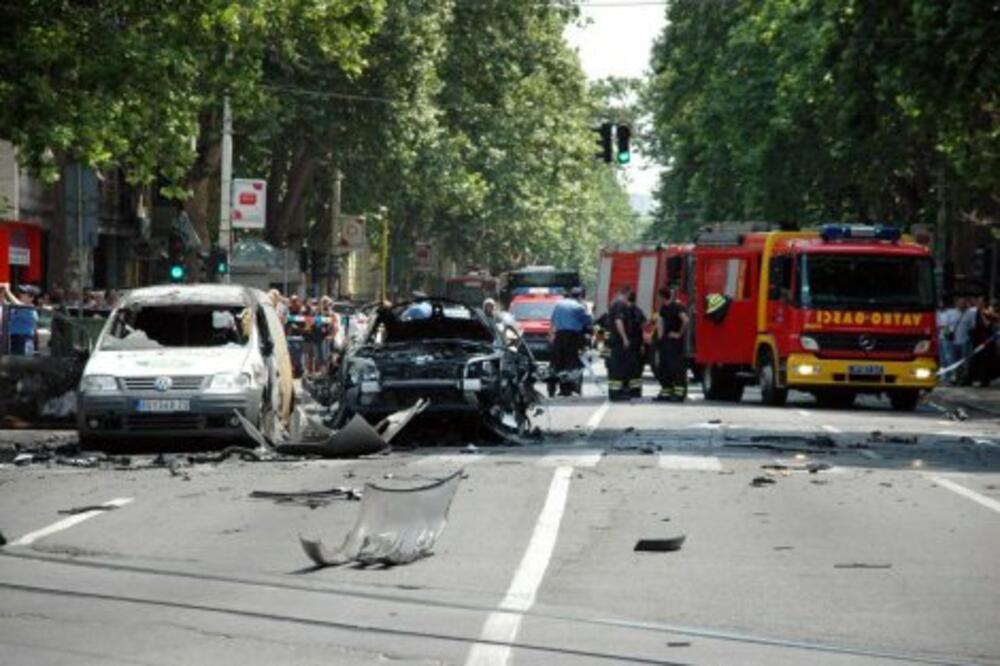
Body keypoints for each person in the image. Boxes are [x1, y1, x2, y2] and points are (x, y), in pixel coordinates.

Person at [547, 286, 592, 397]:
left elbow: (552, 322)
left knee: (557, 363)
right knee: (572, 363)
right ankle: (569, 388)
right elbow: (587, 322)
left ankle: (552, 387)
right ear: (581, 296)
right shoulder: (579, 307)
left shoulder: (559, 304)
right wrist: (589, 310)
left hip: (559, 336)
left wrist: (551, 336)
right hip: (573, 337)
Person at [655, 286, 689, 401]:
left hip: (675, 343)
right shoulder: (664, 308)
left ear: (661, 296)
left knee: (676, 367)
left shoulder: (676, 307)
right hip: (666, 342)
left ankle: (679, 394)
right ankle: (667, 392)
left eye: (658, 296)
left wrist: (679, 334)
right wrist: (660, 338)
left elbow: (685, 320)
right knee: (664, 367)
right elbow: (660, 323)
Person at [606, 285, 632, 400]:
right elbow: (618, 321)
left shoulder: (615, 303)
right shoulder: (620, 304)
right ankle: (616, 393)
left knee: (617, 366)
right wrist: (625, 337)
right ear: (626, 294)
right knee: (618, 367)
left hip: (615, 340)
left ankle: (616, 391)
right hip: (618, 341)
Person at [625, 290, 646, 398]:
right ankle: (636, 391)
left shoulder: (623, 310)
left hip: (626, 343)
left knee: (626, 366)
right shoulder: (639, 311)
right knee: (637, 367)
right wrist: (642, 344)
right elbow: (643, 326)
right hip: (637, 342)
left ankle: (627, 388)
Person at [8, 291, 39, 355]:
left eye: (24, 294)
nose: (21, 295)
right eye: (21, 293)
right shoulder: (16, 308)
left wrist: (7, 291)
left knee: (24, 362)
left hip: (24, 339)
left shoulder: (29, 309)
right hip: (15, 339)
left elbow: (18, 304)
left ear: (31, 298)